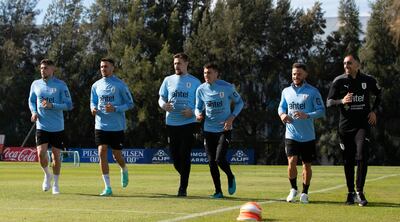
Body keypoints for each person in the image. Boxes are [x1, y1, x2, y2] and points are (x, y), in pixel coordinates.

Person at [327, 54, 381, 206]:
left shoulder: (368, 80)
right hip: (345, 127)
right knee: (348, 160)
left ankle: (360, 192)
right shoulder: (339, 81)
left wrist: (374, 110)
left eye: (349, 63)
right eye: (344, 63)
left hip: (362, 126)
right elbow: (329, 102)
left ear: (357, 64)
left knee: (362, 154)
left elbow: (379, 94)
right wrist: (341, 101)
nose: (346, 66)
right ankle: (350, 193)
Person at [278, 63, 325, 204]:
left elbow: (321, 111)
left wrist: (307, 115)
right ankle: (293, 189)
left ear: (305, 75)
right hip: (291, 134)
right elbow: (281, 106)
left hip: (308, 136)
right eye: (293, 74)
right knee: (291, 162)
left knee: (306, 165)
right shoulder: (286, 91)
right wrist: (282, 115)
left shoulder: (313, 91)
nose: (296, 76)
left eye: (298, 74)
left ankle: (305, 192)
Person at [195, 63, 244, 198]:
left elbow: (240, 103)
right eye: (205, 73)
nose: (206, 75)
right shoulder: (200, 89)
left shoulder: (227, 87)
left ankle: (230, 176)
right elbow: (198, 106)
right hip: (208, 129)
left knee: (219, 159)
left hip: (224, 129)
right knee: (211, 161)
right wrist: (198, 114)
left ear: (216, 74)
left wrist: (231, 117)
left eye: (209, 73)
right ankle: (218, 191)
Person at [158, 53, 201, 197]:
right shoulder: (168, 80)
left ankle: (183, 188)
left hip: (189, 123)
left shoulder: (195, 82)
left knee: (185, 154)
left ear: (186, 63)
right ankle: (185, 176)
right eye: (175, 63)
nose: (177, 66)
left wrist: (193, 112)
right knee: (175, 158)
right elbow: (161, 98)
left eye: (180, 63)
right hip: (171, 123)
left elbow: (202, 103)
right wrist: (164, 105)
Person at [90, 58, 134, 196]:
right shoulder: (96, 85)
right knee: (101, 152)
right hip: (100, 125)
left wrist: (115, 108)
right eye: (101, 66)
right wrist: (93, 108)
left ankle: (124, 168)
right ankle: (107, 187)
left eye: (106, 66)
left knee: (117, 155)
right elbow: (93, 101)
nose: (103, 69)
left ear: (112, 68)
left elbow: (130, 104)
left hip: (116, 127)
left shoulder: (120, 85)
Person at [28, 59, 73, 195]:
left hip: (57, 127)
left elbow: (69, 105)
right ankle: (47, 175)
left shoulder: (61, 85)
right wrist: (34, 112)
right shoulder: (35, 84)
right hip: (41, 126)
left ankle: (56, 184)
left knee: (56, 157)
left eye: (46, 68)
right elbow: (31, 100)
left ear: (53, 69)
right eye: (41, 68)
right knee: (41, 154)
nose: (43, 70)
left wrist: (52, 105)